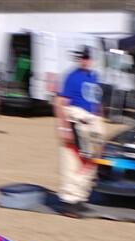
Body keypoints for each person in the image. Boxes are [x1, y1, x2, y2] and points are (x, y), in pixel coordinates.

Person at [54, 46, 105, 219]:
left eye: (87, 58)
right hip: (76, 121)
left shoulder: (94, 77)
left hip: (91, 123)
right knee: (72, 162)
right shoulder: (71, 76)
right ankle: (69, 202)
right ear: (79, 59)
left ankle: (80, 198)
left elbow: (96, 103)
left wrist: (100, 120)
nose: (85, 61)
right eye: (82, 58)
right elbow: (60, 102)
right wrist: (64, 127)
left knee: (90, 163)